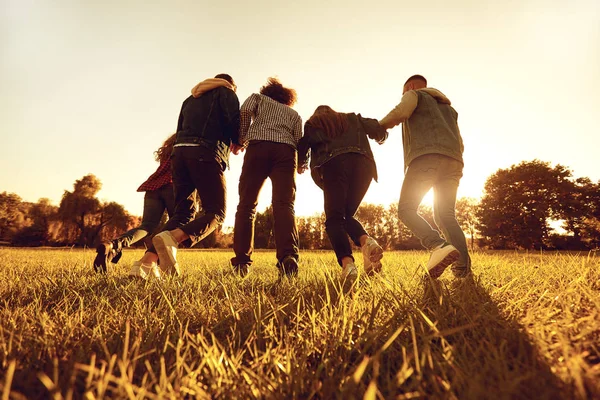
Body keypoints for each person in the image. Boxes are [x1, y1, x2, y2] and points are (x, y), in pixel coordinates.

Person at [135, 73, 241, 277]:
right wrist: (237, 141)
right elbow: (233, 122)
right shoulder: (227, 93)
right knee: (216, 213)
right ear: (232, 85)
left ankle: (145, 265)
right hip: (206, 152)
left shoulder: (190, 98)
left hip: (179, 154)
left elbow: (179, 129)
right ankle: (173, 237)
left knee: (183, 213)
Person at [379, 74, 470, 278]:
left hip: (427, 157)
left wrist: (379, 127)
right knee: (446, 216)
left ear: (409, 86)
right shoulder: (449, 108)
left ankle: (437, 245)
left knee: (406, 209)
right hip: (454, 161)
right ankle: (462, 272)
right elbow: (460, 141)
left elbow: (401, 112)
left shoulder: (414, 94)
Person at [297, 106, 388, 289]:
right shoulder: (352, 117)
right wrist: (381, 136)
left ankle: (348, 265)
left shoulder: (313, 123)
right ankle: (366, 242)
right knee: (346, 215)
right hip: (364, 165)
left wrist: (300, 163)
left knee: (334, 219)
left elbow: (303, 144)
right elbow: (376, 127)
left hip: (334, 165)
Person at [230, 77, 302, 278]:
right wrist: (303, 163)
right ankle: (288, 256)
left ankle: (242, 262)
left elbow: (244, 111)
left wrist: (241, 138)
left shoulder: (258, 99)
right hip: (286, 153)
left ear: (268, 92)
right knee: (284, 205)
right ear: (287, 99)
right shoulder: (294, 114)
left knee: (246, 205)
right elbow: (299, 139)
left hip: (259, 148)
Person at [93, 133, 178, 279]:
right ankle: (150, 262)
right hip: (172, 186)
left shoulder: (167, 151)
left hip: (153, 188)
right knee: (176, 226)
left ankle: (114, 245)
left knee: (146, 226)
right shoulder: (185, 149)